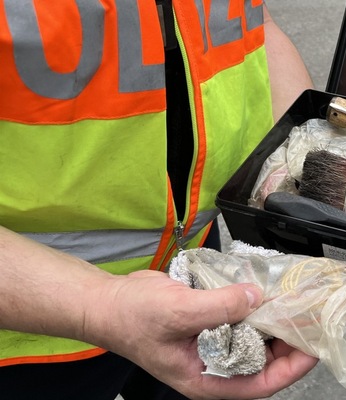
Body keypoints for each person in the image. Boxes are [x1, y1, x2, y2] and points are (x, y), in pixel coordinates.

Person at [0, 1, 318, 399]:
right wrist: (101, 306)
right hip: (31, 328)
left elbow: (255, 26)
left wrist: (307, 180)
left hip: (199, 266)